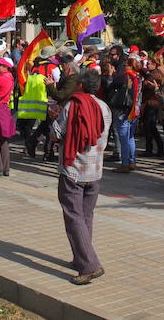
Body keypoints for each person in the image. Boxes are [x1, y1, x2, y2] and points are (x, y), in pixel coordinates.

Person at [50, 68, 111, 286]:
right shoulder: (104, 107)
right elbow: (102, 140)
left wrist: (54, 119)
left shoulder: (72, 105)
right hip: (95, 170)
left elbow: (55, 135)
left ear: (81, 85)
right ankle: (81, 257)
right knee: (86, 216)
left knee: (74, 217)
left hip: (73, 169)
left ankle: (90, 266)